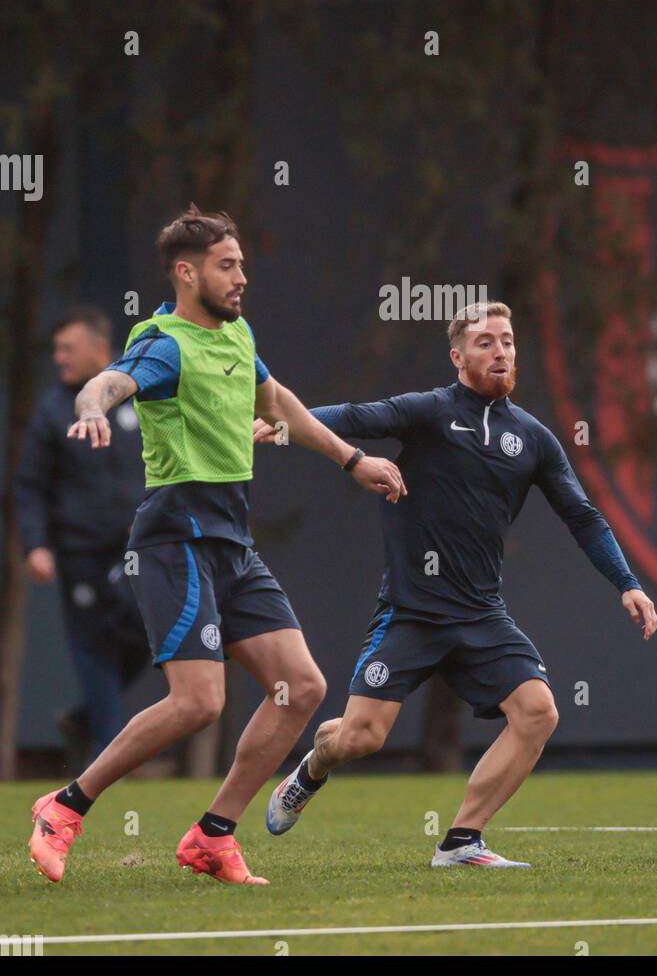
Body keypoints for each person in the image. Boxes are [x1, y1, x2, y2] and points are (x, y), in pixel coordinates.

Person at [27, 204, 405, 886]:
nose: (240, 279)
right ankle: (63, 805)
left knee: (301, 688)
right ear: (186, 272)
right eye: (227, 266)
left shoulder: (236, 337)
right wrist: (90, 409)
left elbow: (280, 404)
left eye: (242, 266)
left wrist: (354, 460)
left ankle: (213, 834)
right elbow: (112, 381)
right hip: (176, 538)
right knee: (199, 702)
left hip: (231, 540)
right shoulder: (166, 341)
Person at [262, 301, 657, 868]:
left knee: (539, 711)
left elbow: (584, 516)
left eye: (508, 341)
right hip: (411, 611)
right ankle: (313, 767)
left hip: (480, 614)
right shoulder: (428, 411)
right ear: (457, 356)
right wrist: (281, 424)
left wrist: (628, 583)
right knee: (361, 739)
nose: (500, 351)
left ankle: (461, 841)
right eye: (485, 342)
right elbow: (350, 416)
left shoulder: (535, 439)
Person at [15, 306, 150, 764]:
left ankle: (84, 721)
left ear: (99, 348)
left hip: (138, 549)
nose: (59, 357)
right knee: (93, 648)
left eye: (67, 348)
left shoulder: (137, 393)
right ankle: (111, 757)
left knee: (150, 634)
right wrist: (35, 544)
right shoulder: (53, 411)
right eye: (55, 350)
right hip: (81, 555)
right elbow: (30, 486)